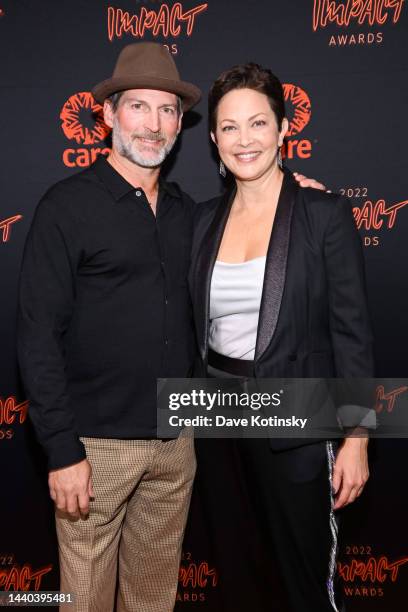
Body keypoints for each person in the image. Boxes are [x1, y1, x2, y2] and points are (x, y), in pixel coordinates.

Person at [17, 42, 324, 611]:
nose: (154, 125)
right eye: (139, 107)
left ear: (182, 125)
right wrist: (61, 450)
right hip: (94, 448)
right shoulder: (66, 207)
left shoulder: (191, 213)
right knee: (80, 598)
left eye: (167, 111)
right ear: (109, 114)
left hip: (176, 442)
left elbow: (254, 208)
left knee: (154, 598)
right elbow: (37, 337)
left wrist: (299, 199)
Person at [189, 63, 374, 612]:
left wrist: (358, 438)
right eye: (228, 127)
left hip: (296, 415)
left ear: (283, 128)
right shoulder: (200, 220)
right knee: (238, 573)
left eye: (258, 124)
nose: (244, 140)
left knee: (301, 579)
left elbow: (353, 332)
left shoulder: (323, 213)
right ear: (213, 138)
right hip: (218, 417)